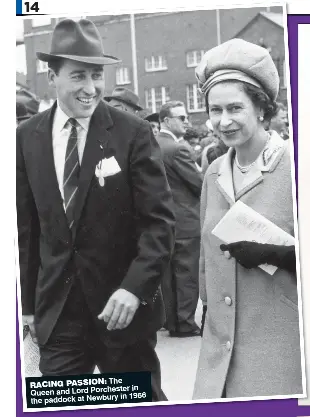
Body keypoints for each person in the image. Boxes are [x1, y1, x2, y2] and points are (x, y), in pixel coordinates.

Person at [16, 18, 175, 401]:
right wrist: (27, 308)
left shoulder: (132, 132)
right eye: (78, 77)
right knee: (60, 406)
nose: (90, 89)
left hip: (121, 311)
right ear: (52, 75)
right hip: (59, 316)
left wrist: (134, 290)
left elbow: (159, 222)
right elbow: (27, 229)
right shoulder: (26, 138)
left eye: (96, 75)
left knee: (136, 404)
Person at [193, 38, 302, 398]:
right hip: (221, 349)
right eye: (215, 110)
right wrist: (205, 306)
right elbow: (205, 252)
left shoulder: (294, 166)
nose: (223, 121)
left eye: (235, 108)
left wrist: (276, 254)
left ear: (261, 109)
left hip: (282, 346)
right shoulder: (213, 172)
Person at [156, 101, 202, 337]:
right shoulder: (178, 148)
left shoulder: (154, 144)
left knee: (170, 274)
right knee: (186, 272)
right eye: (181, 118)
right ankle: (184, 323)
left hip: (164, 220)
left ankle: (172, 321)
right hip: (185, 219)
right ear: (165, 120)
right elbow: (199, 183)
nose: (187, 121)